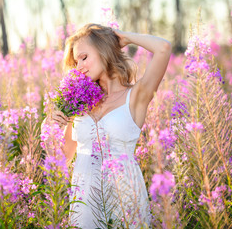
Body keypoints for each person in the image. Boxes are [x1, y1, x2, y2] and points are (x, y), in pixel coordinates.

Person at [46, 23, 171, 228]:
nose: (80, 67)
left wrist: (124, 37)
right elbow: (65, 157)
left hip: (125, 196)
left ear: (104, 51)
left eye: (84, 57)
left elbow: (163, 48)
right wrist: (55, 128)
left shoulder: (136, 96)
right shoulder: (78, 102)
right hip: (85, 198)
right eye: (76, 62)